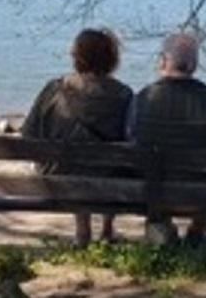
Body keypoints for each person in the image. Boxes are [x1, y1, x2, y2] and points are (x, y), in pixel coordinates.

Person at [21, 28, 133, 247]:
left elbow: (29, 133)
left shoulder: (54, 89)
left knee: (73, 161)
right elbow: (131, 140)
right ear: (112, 59)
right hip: (109, 183)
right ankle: (107, 229)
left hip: (58, 179)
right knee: (117, 162)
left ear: (76, 57)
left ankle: (82, 230)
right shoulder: (123, 94)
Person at [128, 32, 206, 247]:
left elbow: (130, 140)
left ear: (163, 61)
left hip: (151, 188)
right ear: (194, 65)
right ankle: (197, 231)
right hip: (203, 192)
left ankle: (161, 223)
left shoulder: (143, 98)